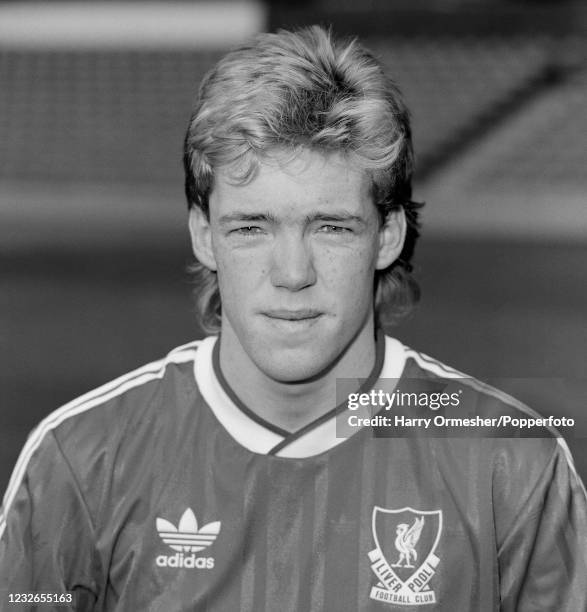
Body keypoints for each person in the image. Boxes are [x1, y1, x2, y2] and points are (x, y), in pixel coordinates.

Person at [1, 25, 586, 611]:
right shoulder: (79, 461)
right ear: (205, 236)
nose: (291, 272)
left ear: (387, 236)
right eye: (251, 227)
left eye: (330, 227)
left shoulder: (508, 463)